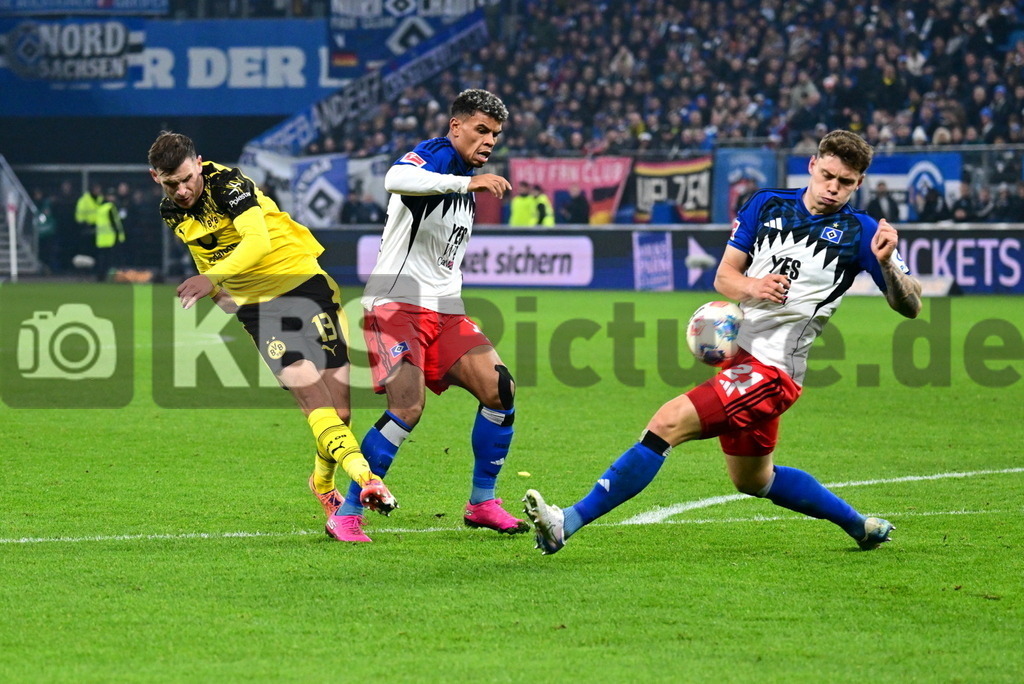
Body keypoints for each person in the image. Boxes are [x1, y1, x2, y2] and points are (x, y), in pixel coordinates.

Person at [524, 130, 922, 555]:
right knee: (754, 479)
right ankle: (861, 527)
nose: (833, 188)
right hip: (738, 360)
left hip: (774, 371)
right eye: (827, 175)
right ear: (812, 165)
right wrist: (754, 286)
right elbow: (724, 277)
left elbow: (911, 305)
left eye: (845, 182)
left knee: (666, 424)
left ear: (859, 183)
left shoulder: (861, 232)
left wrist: (886, 264)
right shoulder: (766, 204)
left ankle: (566, 521)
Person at [146, 131, 396, 541]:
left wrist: (212, 278)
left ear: (199, 163)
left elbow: (258, 241)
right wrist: (218, 292)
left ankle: (322, 483)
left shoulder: (229, 184)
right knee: (313, 399)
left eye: (187, 178)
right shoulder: (170, 210)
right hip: (259, 308)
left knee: (341, 414)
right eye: (172, 183)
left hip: (303, 283)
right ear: (156, 177)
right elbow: (203, 250)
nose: (183, 190)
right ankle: (367, 480)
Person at [345, 88, 528, 543]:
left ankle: (482, 503)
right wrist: (467, 184)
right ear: (456, 126)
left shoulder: (465, 177)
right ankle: (348, 511)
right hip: (395, 303)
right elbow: (395, 177)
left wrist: (468, 184)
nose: (489, 141)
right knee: (407, 407)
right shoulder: (438, 156)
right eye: (481, 130)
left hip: (444, 310)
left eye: (495, 134)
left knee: (500, 390)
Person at [92, 188, 125, 282]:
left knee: (102, 259)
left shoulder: (100, 208)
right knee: (109, 259)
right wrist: (119, 235)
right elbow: (115, 223)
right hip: (111, 237)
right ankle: (109, 277)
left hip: (101, 238)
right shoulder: (110, 207)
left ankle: (100, 276)